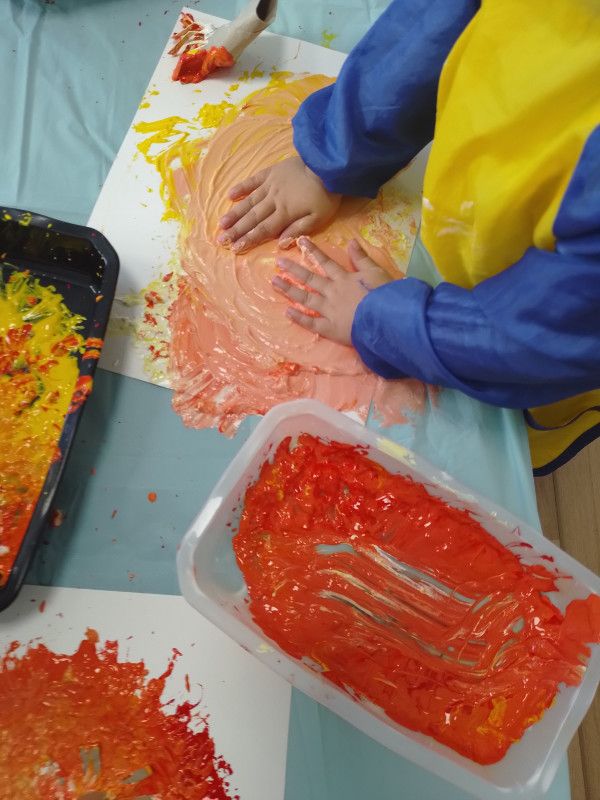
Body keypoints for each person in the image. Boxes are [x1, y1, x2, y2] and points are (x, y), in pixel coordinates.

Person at [217, 0, 600, 476]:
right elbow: (433, 23)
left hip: (537, 353)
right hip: (479, 215)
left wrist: (387, 324)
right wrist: (335, 153)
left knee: (506, 440)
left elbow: (551, 338)